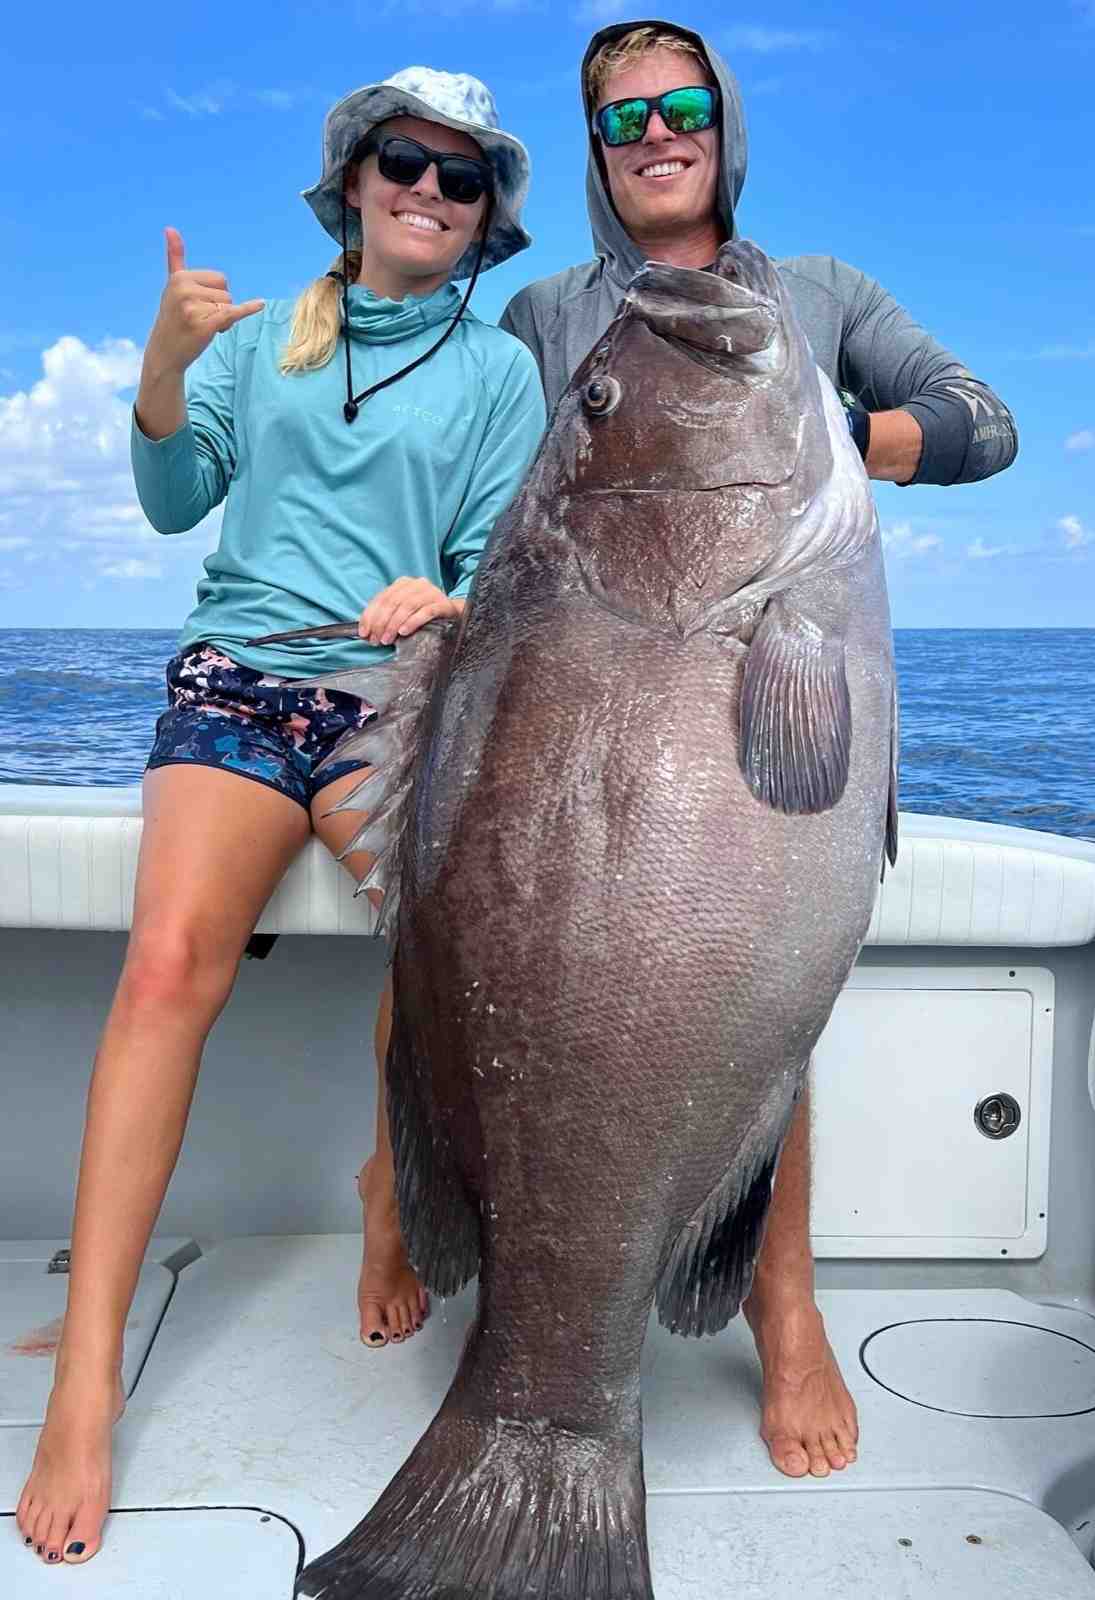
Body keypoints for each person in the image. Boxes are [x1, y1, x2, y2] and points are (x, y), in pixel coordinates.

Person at [15, 67, 544, 1569]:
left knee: (447, 958)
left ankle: (390, 1195)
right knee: (167, 968)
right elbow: (175, 499)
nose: (427, 192)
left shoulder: (500, 372)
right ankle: (91, 1383)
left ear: (486, 212)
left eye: (459, 178)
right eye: (404, 162)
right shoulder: (266, 343)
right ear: (354, 180)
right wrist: (162, 370)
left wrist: (447, 598)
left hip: (395, 696)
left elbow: (495, 566)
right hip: (242, 686)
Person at [501, 20, 1017, 1483]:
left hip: (778, 717)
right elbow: (466, 464)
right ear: (597, 153)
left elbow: (987, 423)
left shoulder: (822, 294)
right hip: (589, 749)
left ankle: (786, 1313)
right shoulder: (545, 318)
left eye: (682, 106)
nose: (656, 134)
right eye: (621, 120)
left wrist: (849, 434)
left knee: (760, 1016)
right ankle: (422, 1219)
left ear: (725, 125)